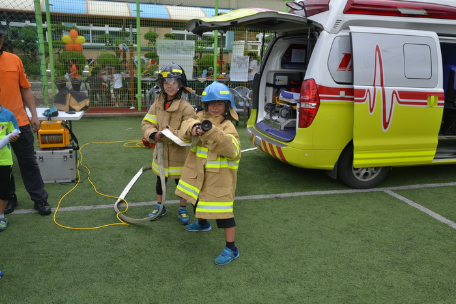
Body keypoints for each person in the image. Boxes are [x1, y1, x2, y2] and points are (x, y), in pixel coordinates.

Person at [176, 81, 241, 265]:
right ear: (205, 105)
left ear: (227, 106)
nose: (214, 107)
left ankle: (231, 248)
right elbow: (185, 126)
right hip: (199, 174)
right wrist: (193, 128)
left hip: (219, 178)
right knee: (196, 198)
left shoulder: (228, 125)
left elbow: (233, 149)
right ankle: (203, 223)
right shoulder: (198, 118)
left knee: (225, 215)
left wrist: (210, 132)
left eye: (219, 104)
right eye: (211, 103)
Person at [0, 25, 51, 215]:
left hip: (19, 123)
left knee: (28, 162)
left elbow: (25, 89)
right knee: (4, 167)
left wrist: (34, 115)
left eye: (0, 37)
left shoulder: (14, 60)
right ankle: (9, 199)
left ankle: (39, 200)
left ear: (2, 40)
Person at [141, 62, 198, 225]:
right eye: (166, 82)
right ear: (161, 84)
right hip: (160, 153)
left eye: (173, 82)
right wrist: (153, 134)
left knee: (181, 183)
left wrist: (168, 132)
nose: (169, 86)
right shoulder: (157, 104)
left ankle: (182, 208)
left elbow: (189, 129)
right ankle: (160, 206)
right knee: (160, 181)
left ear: (180, 84)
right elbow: (147, 122)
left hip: (179, 155)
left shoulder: (186, 108)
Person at [0, 104, 20, 231]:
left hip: (4, 160)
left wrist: (13, 137)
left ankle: (1, 217)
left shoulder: (8, 114)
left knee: (3, 189)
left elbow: (15, 132)